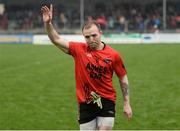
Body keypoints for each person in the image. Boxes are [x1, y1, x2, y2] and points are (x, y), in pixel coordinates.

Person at [41, 4, 132, 130]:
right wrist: (48, 23)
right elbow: (56, 39)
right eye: (87, 37)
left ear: (100, 33)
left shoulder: (113, 55)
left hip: (106, 100)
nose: (91, 39)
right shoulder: (79, 49)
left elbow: (122, 77)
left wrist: (127, 103)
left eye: (94, 35)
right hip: (85, 103)